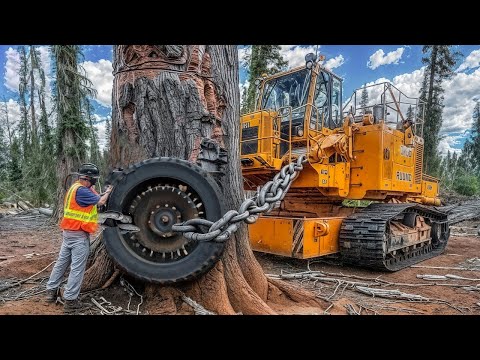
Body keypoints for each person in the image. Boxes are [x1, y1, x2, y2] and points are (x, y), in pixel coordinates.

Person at [45, 163, 113, 313]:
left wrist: (103, 193)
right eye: (94, 179)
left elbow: (95, 198)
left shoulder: (75, 187)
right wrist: (109, 191)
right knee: (77, 268)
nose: (95, 181)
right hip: (78, 235)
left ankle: (51, 291)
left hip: (68, 232)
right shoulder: (82, 191)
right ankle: (70, 301)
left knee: (62, 263)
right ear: (89, 178)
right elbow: (101, 201)